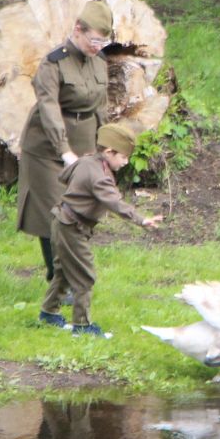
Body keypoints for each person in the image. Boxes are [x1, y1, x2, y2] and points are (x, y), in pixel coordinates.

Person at [17, 0, 115, 293]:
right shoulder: (53, 63)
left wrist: (105, 149)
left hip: (84, 143)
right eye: (94, 40)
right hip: (47, 147)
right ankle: (60, 280)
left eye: (103, 41)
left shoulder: (99, 62)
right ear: (78, 30)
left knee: (80, 213)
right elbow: (48, 109)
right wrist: (63, 151)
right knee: (54, 215)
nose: (97, 46)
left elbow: (101, 107)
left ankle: (69, 277)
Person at [40, 123, 162, 337]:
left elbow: (64, 176)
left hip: (61, 221)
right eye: (123, 157)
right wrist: (142, 220)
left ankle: (49, 313)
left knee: (64, 272)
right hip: (72, 227)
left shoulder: (87, 161)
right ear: (108, 152)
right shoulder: (99, 177)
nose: (125, 162)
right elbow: (115, 203)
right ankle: (82, 327)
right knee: (84, 276)